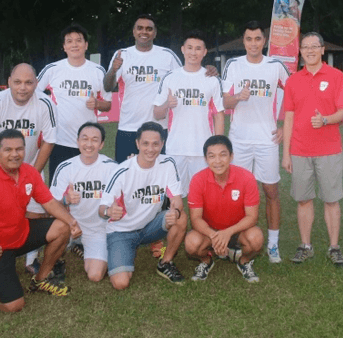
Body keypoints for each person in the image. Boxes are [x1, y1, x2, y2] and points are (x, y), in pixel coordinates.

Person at [0, 129, 81, 311]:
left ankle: (41, 279)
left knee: (62, 227)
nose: (14, 154)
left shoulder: (29, 172)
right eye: (8, 150)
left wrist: (71, 222)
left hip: (19, 234)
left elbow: (48, 202)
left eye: (19, 149)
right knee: (14, 305)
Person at [0, 63, 58, 272]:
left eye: (29, 82)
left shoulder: (46, 104)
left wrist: (33, 175)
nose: (23, 87)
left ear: (36, 83)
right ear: (9, 82)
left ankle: (31, 261)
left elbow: (49, 141)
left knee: (36, 213)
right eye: (17, 82)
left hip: (31, 166)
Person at [222, 21, 290, 263]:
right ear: (243, 41)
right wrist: (237, 98)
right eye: (249, 39)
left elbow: (294, 97)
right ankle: (234, 240)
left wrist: (284, 126)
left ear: (265, 41)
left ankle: (272, 245)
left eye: (258, 39)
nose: (253, 43)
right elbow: (223, 102)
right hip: (239, 140)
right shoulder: (234, 65)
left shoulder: (276, 65)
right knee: (236, 192)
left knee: (270, 191)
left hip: (267, 139)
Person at [282, 32, 343, 266]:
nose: (309, 51)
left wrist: (327, 120)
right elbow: (288, 118)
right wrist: (286, 154)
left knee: (331, 200)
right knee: (303, 200)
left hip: (329, 149)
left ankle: (334, 247)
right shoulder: (293, 80)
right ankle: (305, 245)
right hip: (300, 150)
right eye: (305, 47)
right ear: (300, 51)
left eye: (314, 46)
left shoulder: (337, 76)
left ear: (323, 49)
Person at [98, 122, 187, 290]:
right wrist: (109, 211)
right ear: (137, 144)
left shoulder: (167, 163)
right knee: (121, 283)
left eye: (155, 144)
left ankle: (165, 262)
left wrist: (174, 211)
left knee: (180, 218)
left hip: (148, 227)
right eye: (145, 143)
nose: (150, 149)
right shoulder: (121, 171)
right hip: (121, 231)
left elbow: (176, 199)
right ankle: (119, 248)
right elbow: (101, 209)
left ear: (162, 144)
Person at [153, 30, 224, 197]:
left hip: (203, 150)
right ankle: (178, 223)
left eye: (198, 48)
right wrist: (166, 104)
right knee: (175, 197)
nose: (193, 52)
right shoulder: (170, 78)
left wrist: (218, 146)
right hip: (176, 149)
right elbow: (157, 113)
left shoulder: (212, 80)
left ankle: (199, 224)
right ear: (183, 49)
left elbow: (219, 115)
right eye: (190, 48)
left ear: (204, 52)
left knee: (203, 195)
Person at [103, 14, 183, 163]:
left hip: (159, 128)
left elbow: (186, 77)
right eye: (140, 28)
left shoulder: (167, 55)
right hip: (129, 127)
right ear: (134, 31)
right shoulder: (122, 55)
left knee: (158, 179)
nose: (144, 32)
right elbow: (108, 87)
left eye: (148, 29)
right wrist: (113, 70)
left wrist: (208, 71)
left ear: (155, 33)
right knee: (126, 177)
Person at [184, 135, 263, 283]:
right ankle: (207, 260)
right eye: (212, 156)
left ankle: (243, 261)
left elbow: (252, 217)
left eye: (223, 155)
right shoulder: (197, 180)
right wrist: (215, 237)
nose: (218, 161)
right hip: (210, 232)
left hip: (238, 231)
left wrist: (228, 233)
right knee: (191, 243)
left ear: (231, 156)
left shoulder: (246, 178)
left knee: (256, 238)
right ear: (206, 159)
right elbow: (195, 219)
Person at [37, 23, 112, 177]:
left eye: (78, 40)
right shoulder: (52, 69)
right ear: (64, 47)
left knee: (87, 190)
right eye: (69, 41)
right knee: (59, 190)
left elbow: (108, 104)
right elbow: (33, 94)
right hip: (59, 141)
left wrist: (97, 104)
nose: (74, 44)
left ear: (86, 45)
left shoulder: (98, 71)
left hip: (88, 143)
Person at [49, 122, 117, 282]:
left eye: (94, 140)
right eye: (84, 139)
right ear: (77, 141)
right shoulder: (65, 167)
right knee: (53, 229)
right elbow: (50, 205)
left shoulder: (112, 168)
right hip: (69, 226)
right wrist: (66, 200)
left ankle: (84, 248)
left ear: (101, 145)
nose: (89, 144)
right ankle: (59, 256)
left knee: (95, 275)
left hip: (97, 230)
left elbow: (121, 202)